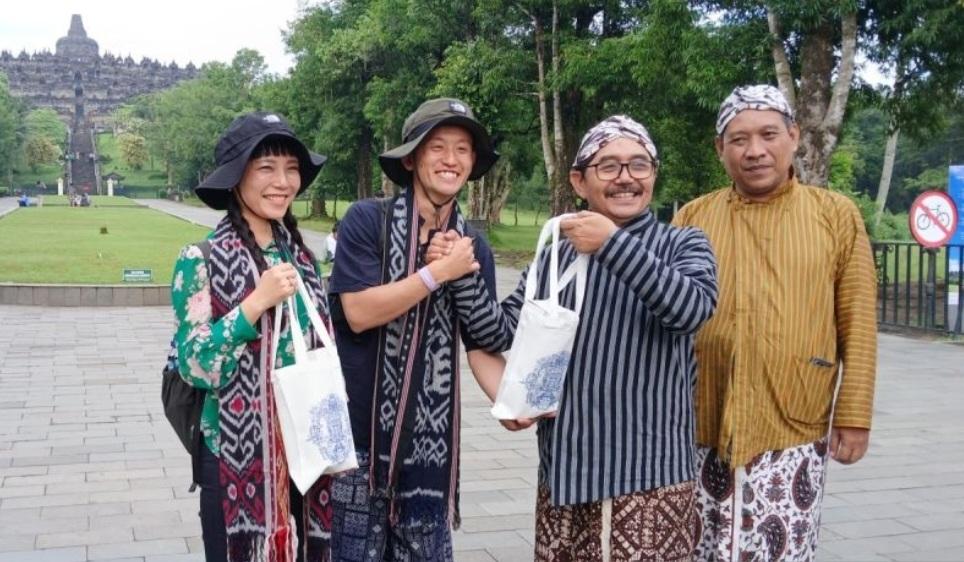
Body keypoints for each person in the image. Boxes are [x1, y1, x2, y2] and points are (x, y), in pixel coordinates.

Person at [462, 115, 719, 561]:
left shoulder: (683, 244)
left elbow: (691, 310)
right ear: (579, 181)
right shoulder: (555, 255)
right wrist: (462, 277)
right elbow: (499, 332)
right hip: (566, 471)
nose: (626, 178)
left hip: (649, 477)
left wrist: (612, 244)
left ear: (653, 176)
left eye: (639, 165)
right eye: (609, 166)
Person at [672, 84, 878, 561]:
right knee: (700, 547)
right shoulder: (692, 216)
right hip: (700, 417)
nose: (755, 151)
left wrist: (854, 415)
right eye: (739, 139)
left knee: (782, 547)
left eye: (768, 135)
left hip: (792, 418)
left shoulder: (835, 216)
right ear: (720, 148)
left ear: (794, 136)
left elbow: (859, 321)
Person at [327, 97, 510, 561]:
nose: (451, 160)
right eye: (438, 147)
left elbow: (479, 343)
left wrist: (512, 402)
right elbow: (359, 312)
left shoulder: (474, 250)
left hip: (428, 453)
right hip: (359, 445)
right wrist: (437, 274)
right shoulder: (369, 220)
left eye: (463, 150)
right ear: (411, 157)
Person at [170, 112, 330, 562]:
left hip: (306, 445)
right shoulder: (199, 259)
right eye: (266, 168)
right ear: (235, 178)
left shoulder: (299, 254)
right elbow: (196, 365)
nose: (283, 181)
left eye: (291, 168)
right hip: (234, 457)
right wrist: (254, 304)